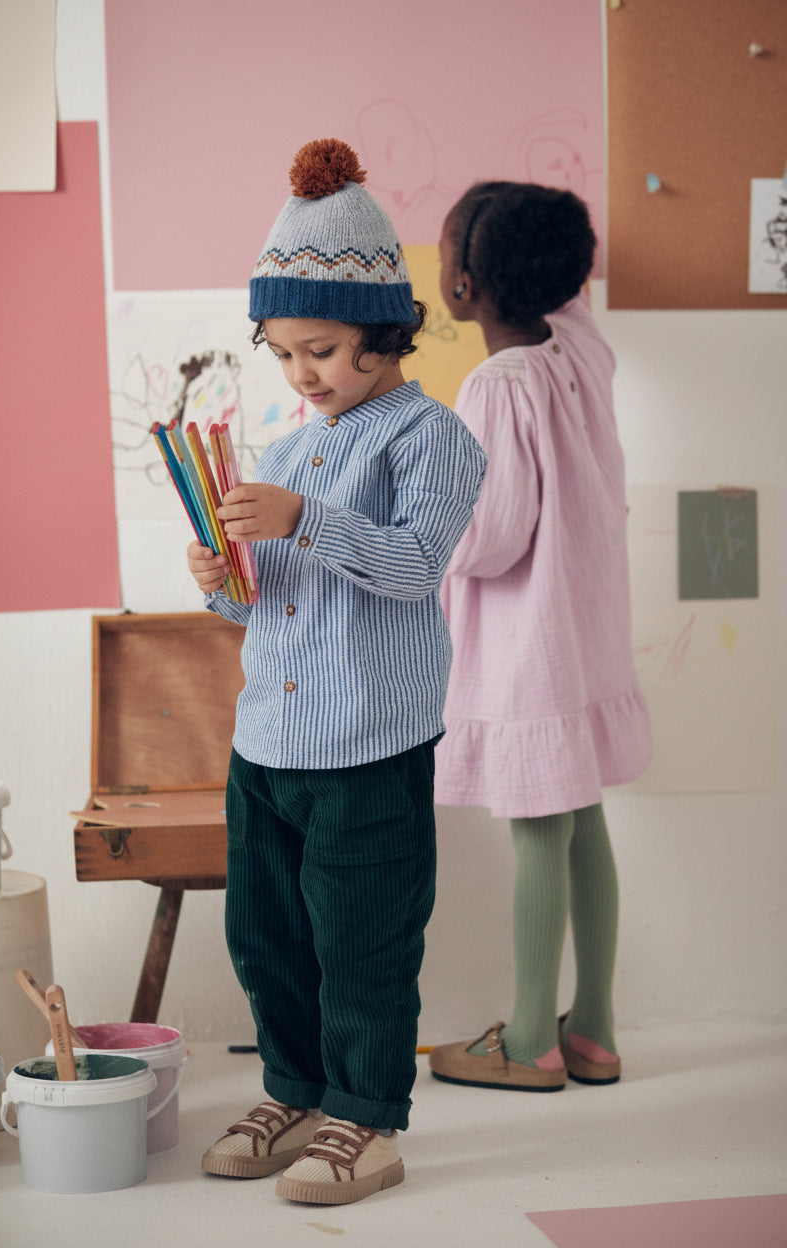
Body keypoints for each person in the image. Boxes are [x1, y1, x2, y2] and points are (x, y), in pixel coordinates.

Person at [186, 138, 486, 1204]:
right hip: (264, 740)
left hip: (366, 748)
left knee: (361, 942)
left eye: (316, 349)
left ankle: (367, 1119)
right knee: (265, 937)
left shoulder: (432, 439)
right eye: (281, 355)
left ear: (381, 330)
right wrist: (221, 578)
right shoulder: (285, 444)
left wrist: (308, 519)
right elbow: (266, 602)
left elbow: (410, 570)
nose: (299, 374)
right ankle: (296, 1089)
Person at [428, 182, 653, 1093]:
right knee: (581, 814)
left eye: (443, 253)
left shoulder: (495, 386)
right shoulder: (581, 346)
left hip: (530, 645)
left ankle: (529, 1039)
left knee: (536, 829)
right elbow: (566, 280)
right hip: (589, 630)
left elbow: (490, 537)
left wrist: (423, 517)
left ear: (466, 286)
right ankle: (592, 1028)